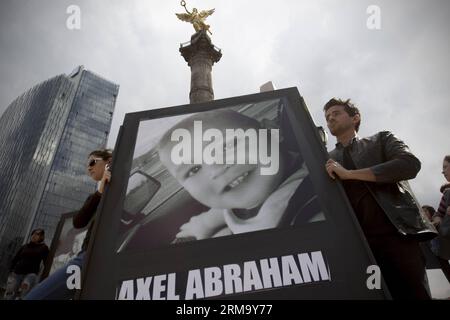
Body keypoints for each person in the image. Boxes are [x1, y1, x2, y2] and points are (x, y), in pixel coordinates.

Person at [323, 98, 436, 300]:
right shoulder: (324, 158)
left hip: (398, 235)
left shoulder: (381, 139)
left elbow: (409, 164)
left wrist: (350, 174)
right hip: (358, 245)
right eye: (327, 117)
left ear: (355, 117)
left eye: (336, 113)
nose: (331, 118)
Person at [157, 109, 324, 241]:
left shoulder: (309, 205)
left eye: (228, 145)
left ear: (271, 131)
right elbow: (225, 212)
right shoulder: (234, 200)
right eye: (194, 169)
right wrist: (204, 224)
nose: (216, 169)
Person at [25, 149, 112, 300]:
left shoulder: (122, 186)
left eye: (92, 162)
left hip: (93, 258)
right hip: (87, 257)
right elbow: (79, 222)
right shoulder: (96, 196)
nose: (89, 168)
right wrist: (99, 193)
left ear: (108, 162)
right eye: (87, 166)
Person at [4, 229, 49, 300]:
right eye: (33, 234)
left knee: (24, 295)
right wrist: (11, 271)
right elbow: (15, 259)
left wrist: (43, 276)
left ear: (42, 237)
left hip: (30, 275)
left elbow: (46, 262)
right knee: (9, 294)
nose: (34, 236)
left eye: (37, 234)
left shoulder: (43, 248)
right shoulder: (25, 246)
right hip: (16, 274)